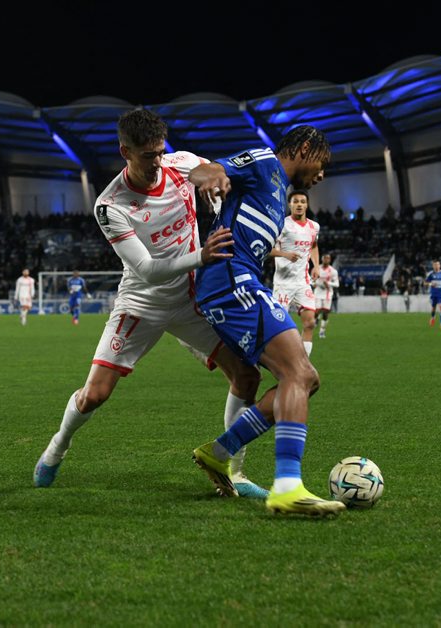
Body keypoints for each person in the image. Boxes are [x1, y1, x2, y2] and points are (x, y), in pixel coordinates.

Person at [33, 109, 269, 499]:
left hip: (192, 300)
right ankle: (58, 446)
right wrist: (202, 255)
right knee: (95, 394)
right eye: (148, 155)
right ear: (125, 151)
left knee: (247, 376)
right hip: (142, 303)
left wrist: (216, 183)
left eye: (160, 152)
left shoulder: (181, 164)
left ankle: (235, 472)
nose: (157, 162)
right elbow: (146, 269)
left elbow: (214, 172)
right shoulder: (111, 205)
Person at [189, 125, 346, 516]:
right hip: (230, 283)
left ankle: (218, 452)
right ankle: (288, 487)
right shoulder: (264, 161)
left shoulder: (279, 198)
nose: (322, 174)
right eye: (322, 164)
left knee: (306, 380)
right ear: (305, 148)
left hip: (236, 285)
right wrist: (213, 175)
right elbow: (204, 171)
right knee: (299, 373)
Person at [269, 189, 319, 356]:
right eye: (295, 201)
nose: (299, 205)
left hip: (303, 282)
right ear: (289, 204)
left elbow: (314, 245)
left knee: (310, 323)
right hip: (283, 284)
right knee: (278, 328)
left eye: (302, 202)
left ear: (307, 205)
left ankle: (304, 363)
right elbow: (266, 250)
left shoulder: (314, 227)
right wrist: (285, 254)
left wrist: (316, 266)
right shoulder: (281, 225)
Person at [314, 254, 339, 339]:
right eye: (325, 258)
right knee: (317, 311)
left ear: (330, 260)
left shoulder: (333, 271)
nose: (326, 260)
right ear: (322, 259)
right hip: (317, 292)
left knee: (325, 312)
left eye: (328, 258)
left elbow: (337, 284)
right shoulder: (316, 268)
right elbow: (311, 279)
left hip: (327, 293)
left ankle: (322, 331)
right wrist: (314, 283)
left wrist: (328, 283)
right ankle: (316, 319)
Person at [424, 260, 441, 330]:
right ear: (433, 266)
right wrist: (430, 284)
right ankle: (433, 317)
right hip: (434, 293)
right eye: (435, 265)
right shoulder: (430, 274)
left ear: (440, 265)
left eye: (437, 264)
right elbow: (425, 283)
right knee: (433, 308)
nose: (436, 266)